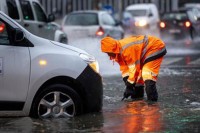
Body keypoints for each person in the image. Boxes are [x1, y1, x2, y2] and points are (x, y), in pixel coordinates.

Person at [101, 35, 167, 101]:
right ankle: (138, 100)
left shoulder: (126, 49)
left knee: (147, 75)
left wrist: (129, 86)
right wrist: (127, 83)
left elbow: (134, 68)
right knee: (137, 82)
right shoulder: (118, 53)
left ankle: (152, 104)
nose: (108, 55)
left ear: (112, 50)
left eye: (108, 53)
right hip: (144, 53)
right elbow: (125, 68)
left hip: (155, 47)